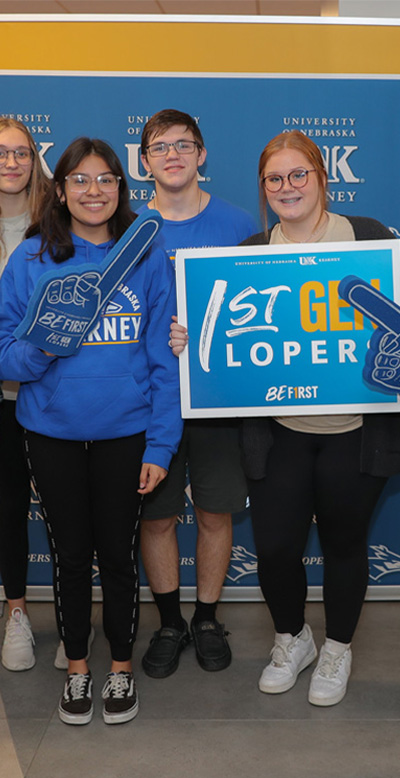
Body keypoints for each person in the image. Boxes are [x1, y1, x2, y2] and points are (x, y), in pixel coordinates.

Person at [0, 137, 182, 724]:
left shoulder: (144, 255)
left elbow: (162, 356)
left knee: (120, 555)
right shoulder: (29, 259)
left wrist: (160, 442)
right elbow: (5, 349)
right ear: (60, 190)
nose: (94, 191)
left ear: (121, 189)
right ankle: (78, 668)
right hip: (51, 431)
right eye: (80, 180)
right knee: (71, 556)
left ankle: (121, 669)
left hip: (127, 432)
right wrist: (41, 352)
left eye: (105, 180)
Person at [240, 130, 400, 706]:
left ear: (322, 177)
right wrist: (195, 346)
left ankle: (338, 647)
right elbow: (231, 344)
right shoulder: (251, 253)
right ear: (264, 188)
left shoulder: (371, 238)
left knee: (344, 544)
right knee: (277, 548)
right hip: (280, 435)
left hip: (356, 435)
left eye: (298, 174)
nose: (288, 187)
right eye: (275, 179)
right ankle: (293, 638)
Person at [138, 109, 257, 678]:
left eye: (184, 144)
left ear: (203, 153)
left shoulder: (239, 227)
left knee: (214, 513)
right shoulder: (130, 232)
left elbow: (262, 314)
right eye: (160, 147)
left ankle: (206, 617)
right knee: (156, 518)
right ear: (145, 162)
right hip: (150, 403)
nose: (173, 155)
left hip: (218, 404)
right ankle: (168, 621)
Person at [0, 118, 49, 671]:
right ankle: (16, 612)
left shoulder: (55, 226)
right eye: (1, 153)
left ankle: (70, 621)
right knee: (9, 505)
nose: (11, 163)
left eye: (21, 153)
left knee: (64, 510)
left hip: (49, 391)